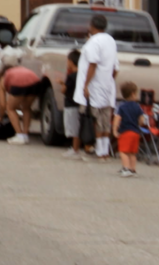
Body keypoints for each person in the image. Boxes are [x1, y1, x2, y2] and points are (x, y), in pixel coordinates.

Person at [73, 13, 118, 162]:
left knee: (96, 120)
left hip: (95, 87)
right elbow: (115, 68)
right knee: (105, 121)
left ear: (92, 26)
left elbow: (93, 64)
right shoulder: (111, 41)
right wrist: (108, 80)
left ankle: (98, 151)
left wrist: (86, 85)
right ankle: (104, 152)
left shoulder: (93, 42)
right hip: (108, 87)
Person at [0, 59, 49, 145]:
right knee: (26, 108)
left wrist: (0, 117)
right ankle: (25, 135)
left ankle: (19, 135)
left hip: (18, 83)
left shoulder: (4, 77)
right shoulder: (19, 69)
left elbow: (2, 104)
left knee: (10, 108)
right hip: (35, 82)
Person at [114, 81, 144, 177]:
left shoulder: (122, 107)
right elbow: (142, 120)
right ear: (133, 94)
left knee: (123, 151)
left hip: (125, 132)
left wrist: (115, 130)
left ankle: (126, 168)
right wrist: (139, 124)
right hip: (136, 132)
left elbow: (117, 119)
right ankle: (132, 169)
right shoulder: (138, 107)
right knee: (132, 153)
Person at [61, 49, 81, 149]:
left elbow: (64, 90)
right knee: (77, 126)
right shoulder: (81, 75)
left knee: (73, 128)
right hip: (78, 103)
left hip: (70, 104)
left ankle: (75, 149)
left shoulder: (71, 76)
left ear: (71, 61)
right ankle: (75, 148)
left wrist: (62, 85)